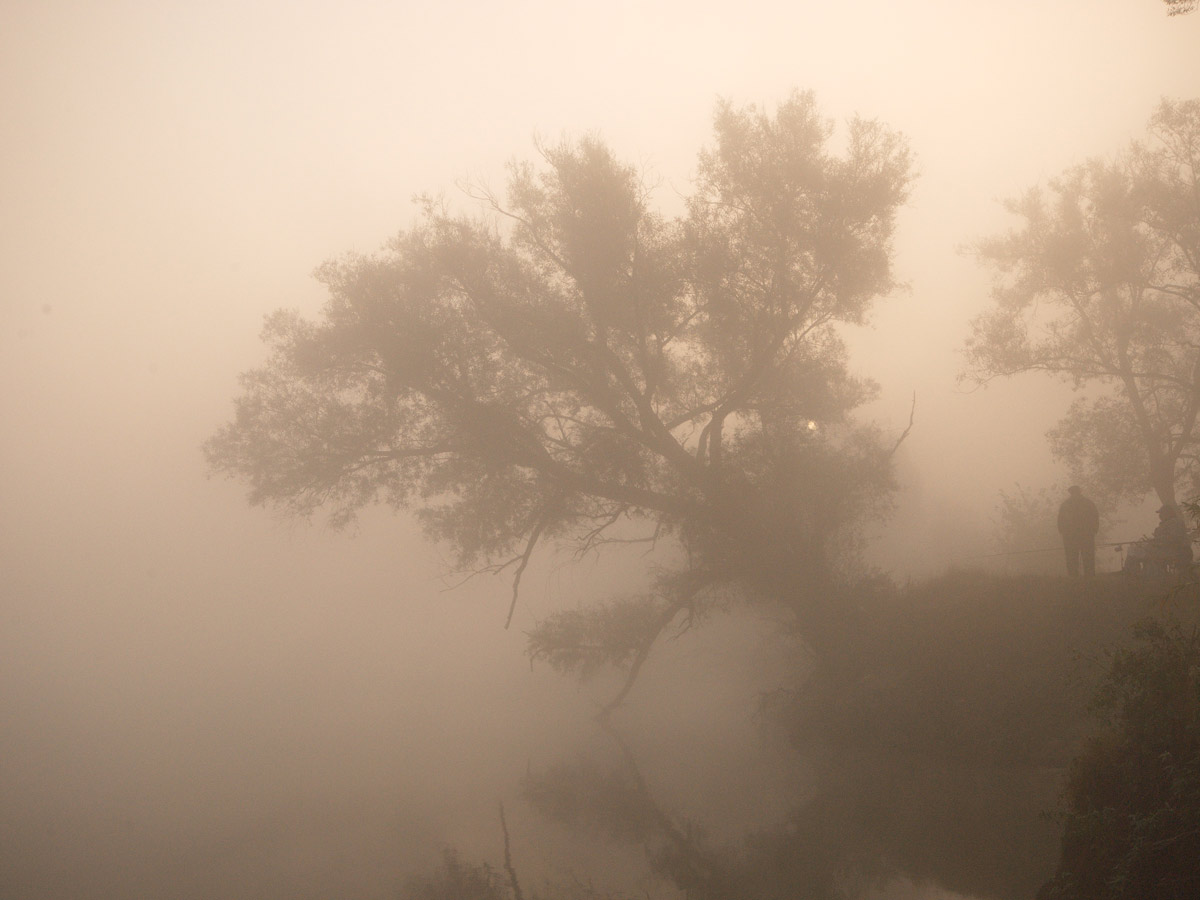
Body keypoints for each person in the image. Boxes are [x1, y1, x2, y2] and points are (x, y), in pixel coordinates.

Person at [1124, 504, 1194, 578]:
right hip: (1166, 550)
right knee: (1135, 549)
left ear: (1168, 513)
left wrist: (1155, 540)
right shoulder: (1168, 523)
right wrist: (1153, 540)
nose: (1160, 515)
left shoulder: (1175, 522)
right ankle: (1138, 574)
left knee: (1135, 552)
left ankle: (1133, 575)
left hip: (1173, 551)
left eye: (1161, 513)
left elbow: (1173, 539)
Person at [1057, 485, 1100, 577]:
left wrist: (1063, 531)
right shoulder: (1088, 503)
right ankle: (1089, 577)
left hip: (1071, 536)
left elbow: (1060, 520)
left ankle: (1074, 578)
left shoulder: (1065, 505)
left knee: (1072, 557)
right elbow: (1095, 518)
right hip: (1085, 535)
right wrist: (1094, 530)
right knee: (1087, 557)